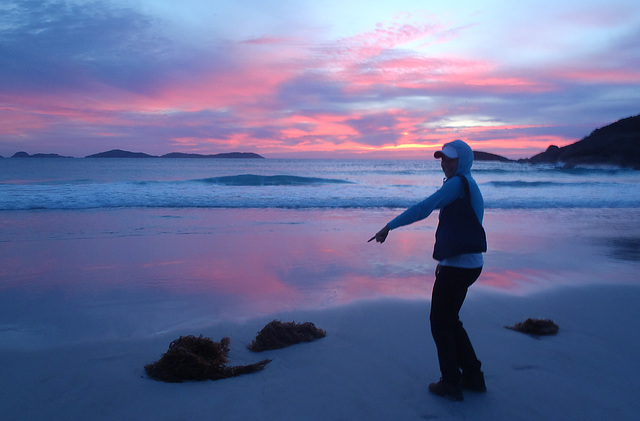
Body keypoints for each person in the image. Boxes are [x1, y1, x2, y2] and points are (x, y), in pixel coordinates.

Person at [368, 139, 487, 402]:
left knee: (440, 322)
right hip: (467, 264)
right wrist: (443, 263)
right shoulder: (466, 184)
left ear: (463, 161)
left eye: (450, 158)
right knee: (450, 320)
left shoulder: (457, 184)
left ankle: (451, 382)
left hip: (459, 266)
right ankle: (473, 377)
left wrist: (390, 225)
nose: (444, 163)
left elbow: (423, 208)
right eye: (442, 158)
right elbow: (461, 228)